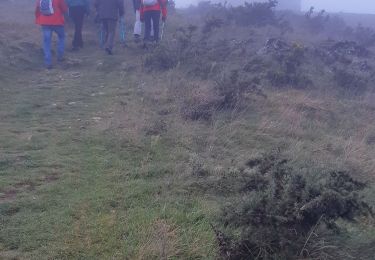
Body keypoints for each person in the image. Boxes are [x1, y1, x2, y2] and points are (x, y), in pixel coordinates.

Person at [35, 0, 68, 69]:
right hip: (57, 21)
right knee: (62, 37)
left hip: (45, 22)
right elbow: (64, 8)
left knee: (47, 42)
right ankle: (60, 56)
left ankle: (48, 62)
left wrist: (39, 19)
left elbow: (37, 10)